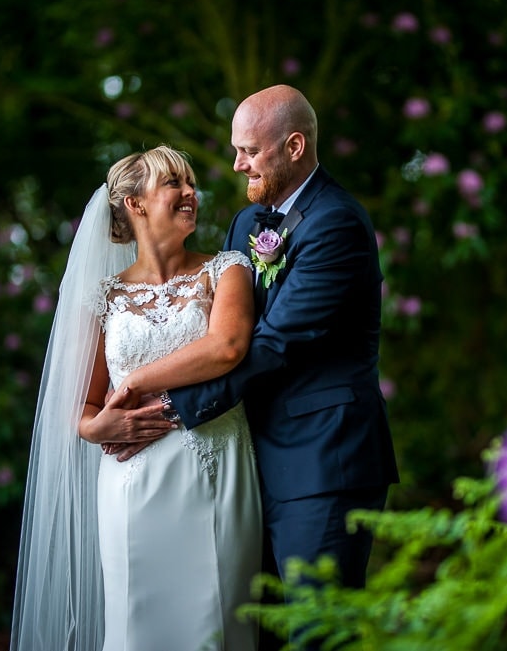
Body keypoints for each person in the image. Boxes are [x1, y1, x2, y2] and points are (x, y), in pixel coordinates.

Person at [155, 85, 400, 641]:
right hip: (248, 463)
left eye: (249, 151)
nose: (237, 163)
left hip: (323, 461)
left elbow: (274, 342)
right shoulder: (247, 225)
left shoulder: (337, 223)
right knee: (254, 634)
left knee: (319, 632)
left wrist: (171, 408)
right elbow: (222, 326)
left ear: (294, 146)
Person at [10, 145, 262, 650]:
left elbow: (227, 347)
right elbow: (81, 406)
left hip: (213, 467)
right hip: (131, 481)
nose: (191, 193)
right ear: (135, 203)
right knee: (136, 624)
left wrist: (136, 381)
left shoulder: (227, 268)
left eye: (190, 183)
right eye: (174, 183)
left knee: (217, 623)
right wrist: (94, 427)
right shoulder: (104, 297)